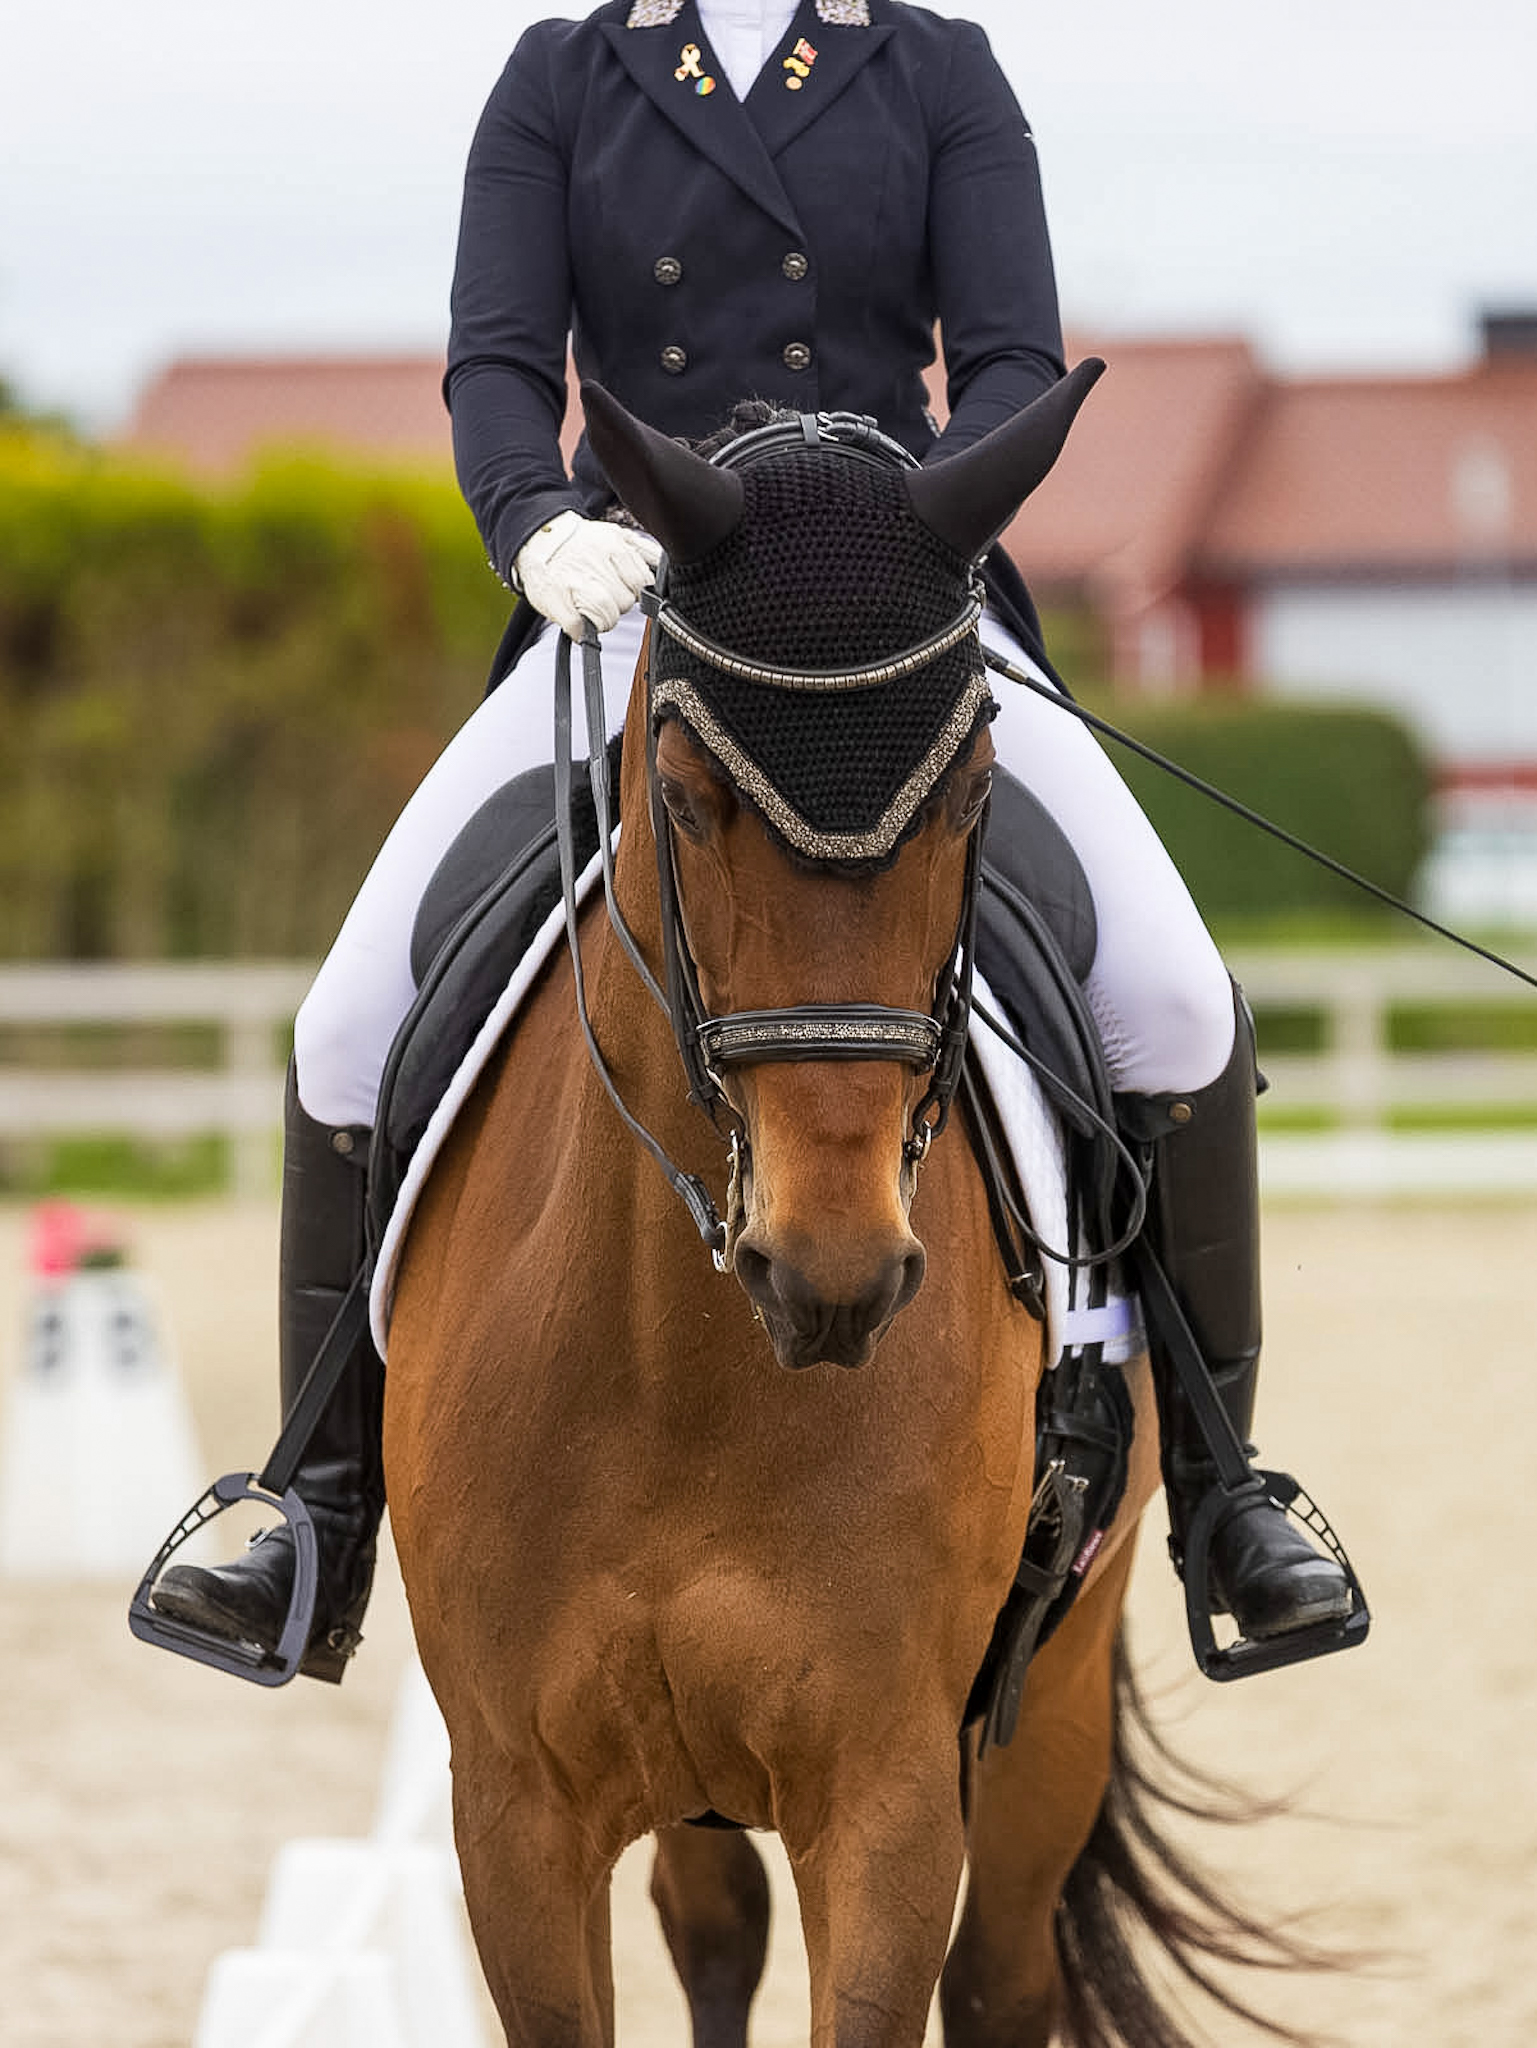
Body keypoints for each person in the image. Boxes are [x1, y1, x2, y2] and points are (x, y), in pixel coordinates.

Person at [152, 0, 1351, 1682]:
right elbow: (499, 363)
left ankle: (1227, 1494)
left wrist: (914, 526)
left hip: (888, 597)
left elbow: (1009, 357)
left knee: (1169, 991)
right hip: (638, 591)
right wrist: (533, 524)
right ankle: (316, 1511)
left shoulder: (938, 65)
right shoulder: (563, 75)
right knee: (346, 1024)